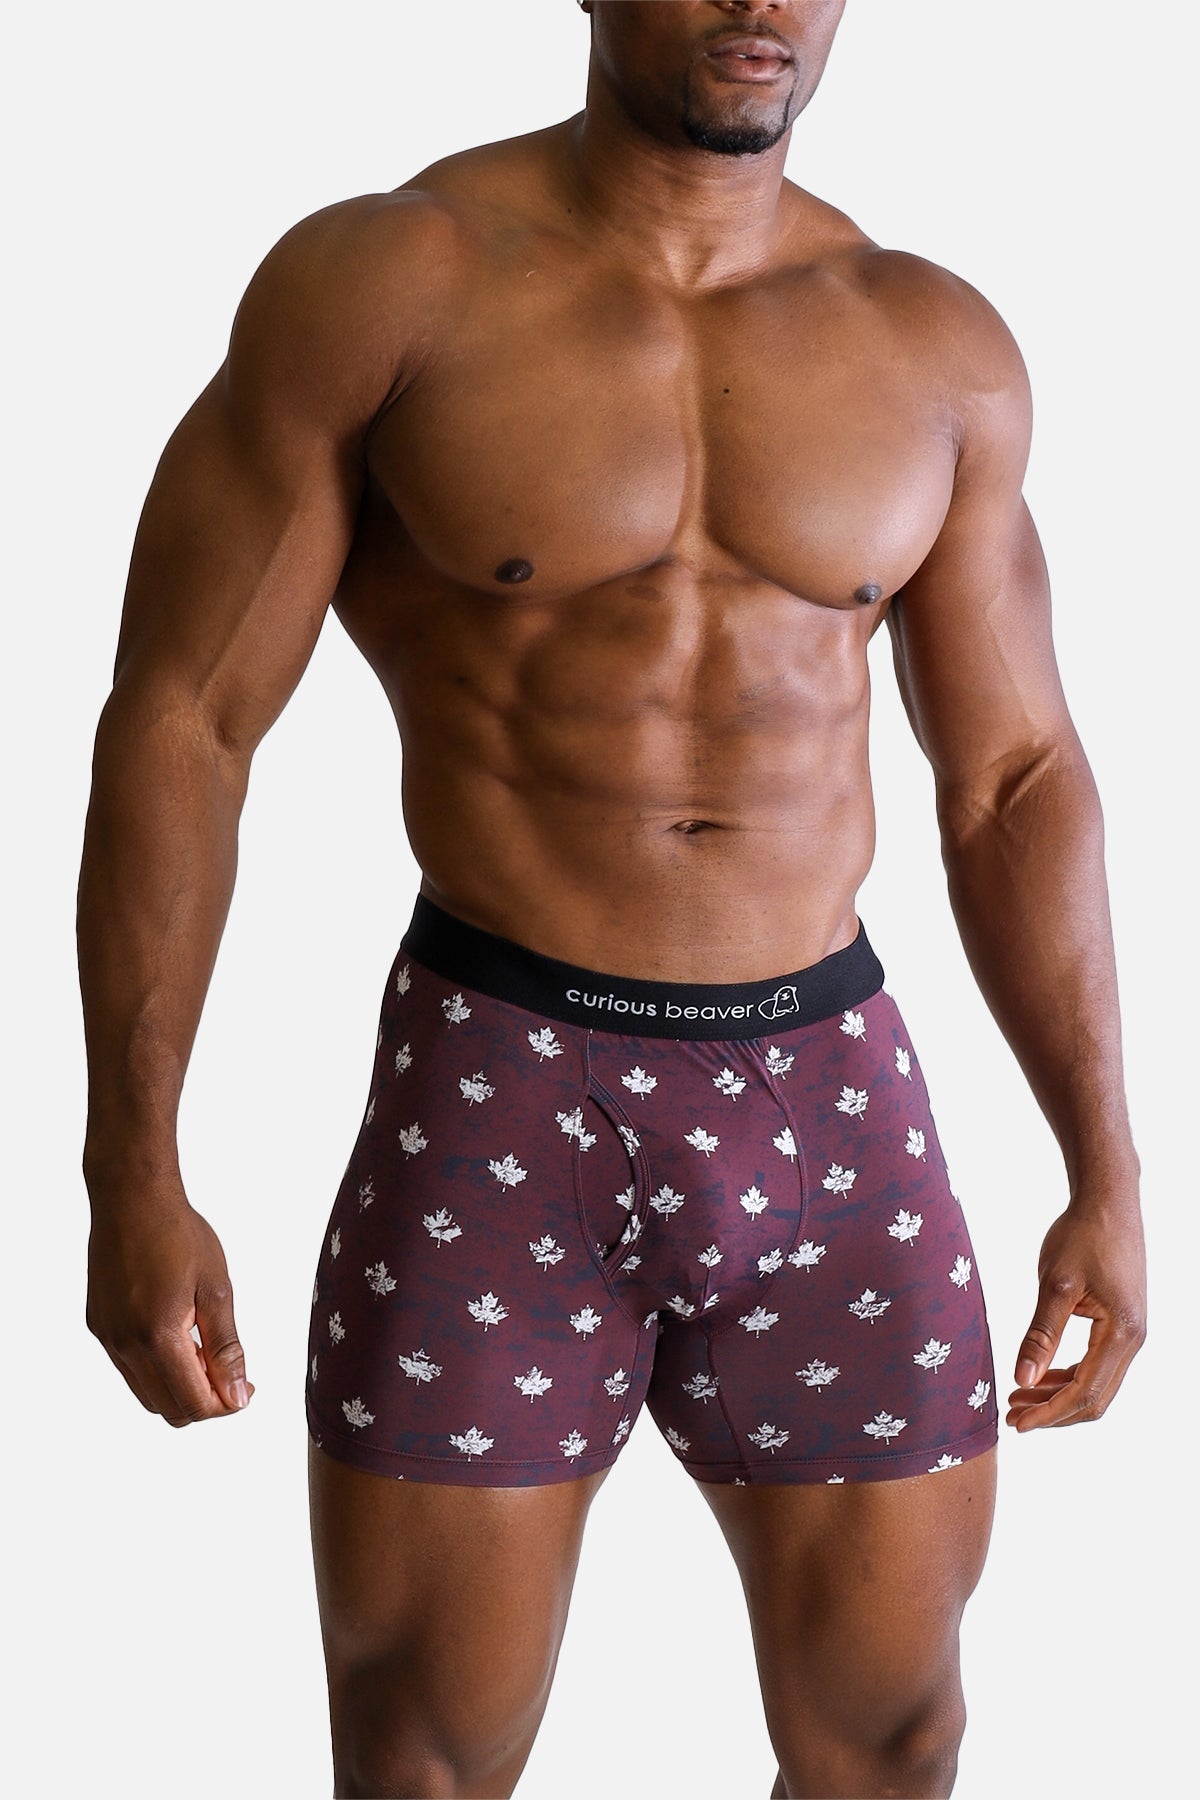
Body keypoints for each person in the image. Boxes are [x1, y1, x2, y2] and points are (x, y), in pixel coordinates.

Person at [76, 3, 1147, 1795]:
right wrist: (131, 1162)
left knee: (894, 1739)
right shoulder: (389, 288)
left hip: (833, 1106)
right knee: (426, 1753)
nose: (759, 1)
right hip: (506, 1082)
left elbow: (1017, 775)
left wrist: (1106, 1167)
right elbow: (185, 721)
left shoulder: (931, 345)